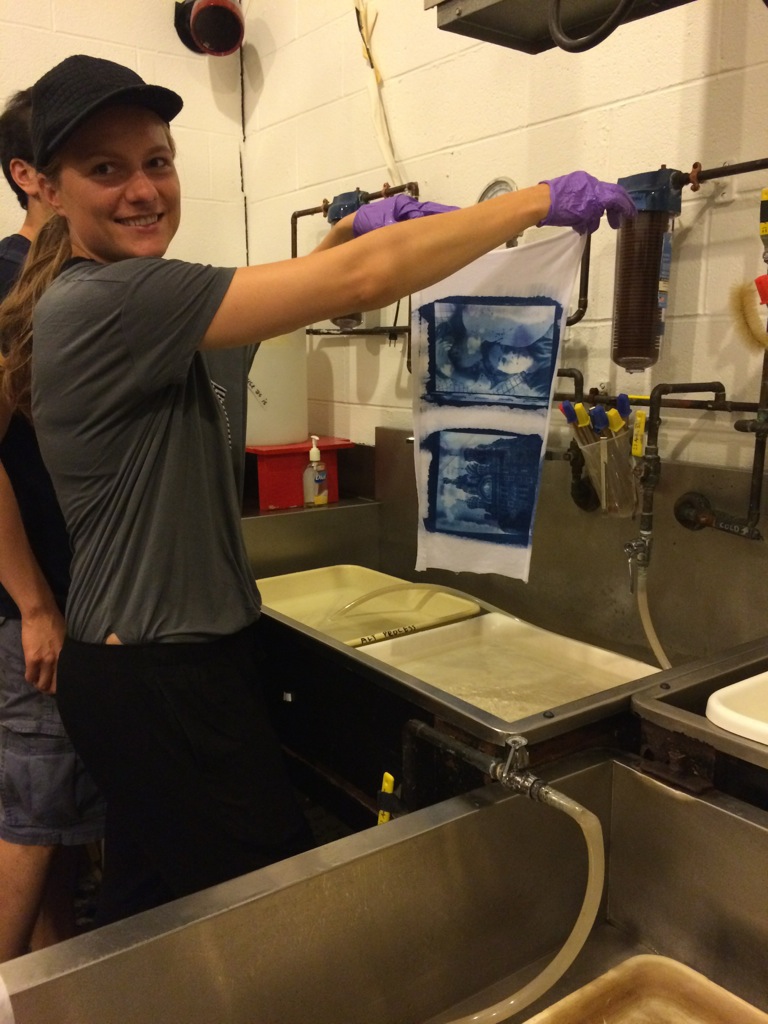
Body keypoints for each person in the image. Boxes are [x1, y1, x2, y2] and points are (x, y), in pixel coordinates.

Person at [0, 54, 634, 927]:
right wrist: (534, 202)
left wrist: (349, 230)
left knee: (149, 912)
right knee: (282, 913)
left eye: (157, 160)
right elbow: (358, 286)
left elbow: (282, 304)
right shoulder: (111, 300)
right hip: (157, 675)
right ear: (47, 189)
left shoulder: (131, 304)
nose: (142, 189)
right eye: (105, 168)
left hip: (152, 665)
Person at [0, 89, 104, 960]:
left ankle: (54, 991)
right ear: (31, 176)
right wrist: (35, 605)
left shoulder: (78, 279)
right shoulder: (9, 281)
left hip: (74, 602)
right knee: (33, 823)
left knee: (59, 826)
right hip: (31, 615)